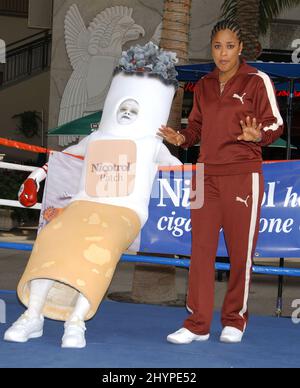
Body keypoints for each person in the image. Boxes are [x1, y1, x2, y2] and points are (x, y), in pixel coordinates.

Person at [4, 42, 181, 348]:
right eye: (122, 107)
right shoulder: (96, 136)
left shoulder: (153, 145)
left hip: (124, 213)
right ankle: (33, 315)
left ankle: (76, 321)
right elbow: (65, 157)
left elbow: (182, 173)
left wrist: (181, 151)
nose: (126, 113)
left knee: (99, 245)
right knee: (52, 234)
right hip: (83, 205)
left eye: (133, 109)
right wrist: (34, 178)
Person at [158, 20, 283, 344]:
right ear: (211, 48)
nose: (223, 53)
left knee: (241, 252)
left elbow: (275, 123)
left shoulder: (257, 81)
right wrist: (181, 137)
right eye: (217, 46)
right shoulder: (204, 84)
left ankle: (235, 319)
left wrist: (260, 135)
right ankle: (196, 323)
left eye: (229, 46)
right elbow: (196, 128)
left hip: (243, 175)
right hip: (204, 176)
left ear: (241, 48)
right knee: (200, 251)